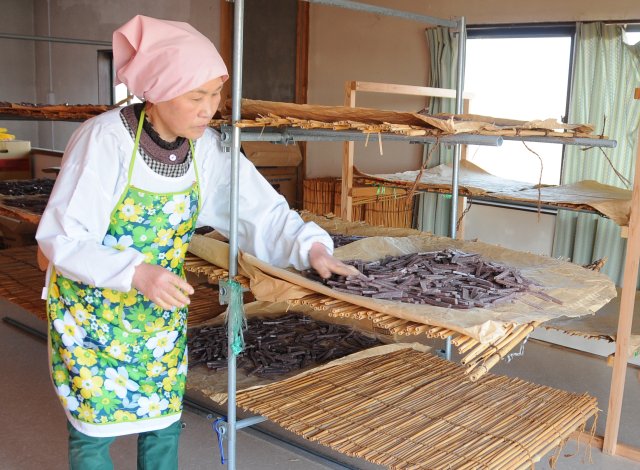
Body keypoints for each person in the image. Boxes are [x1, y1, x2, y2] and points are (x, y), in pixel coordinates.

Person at [36, 14, 356, 469]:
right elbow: (64, 238)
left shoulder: (204, 148)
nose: (211, 108)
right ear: (158, 91)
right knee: (94, 427)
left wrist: (311, 247)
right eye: (197, 96)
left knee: (164, 421)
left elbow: (257, 210)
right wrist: (135, 272)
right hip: (92, 313)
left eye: (216, 93)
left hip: (158, 313)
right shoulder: (104, 140)